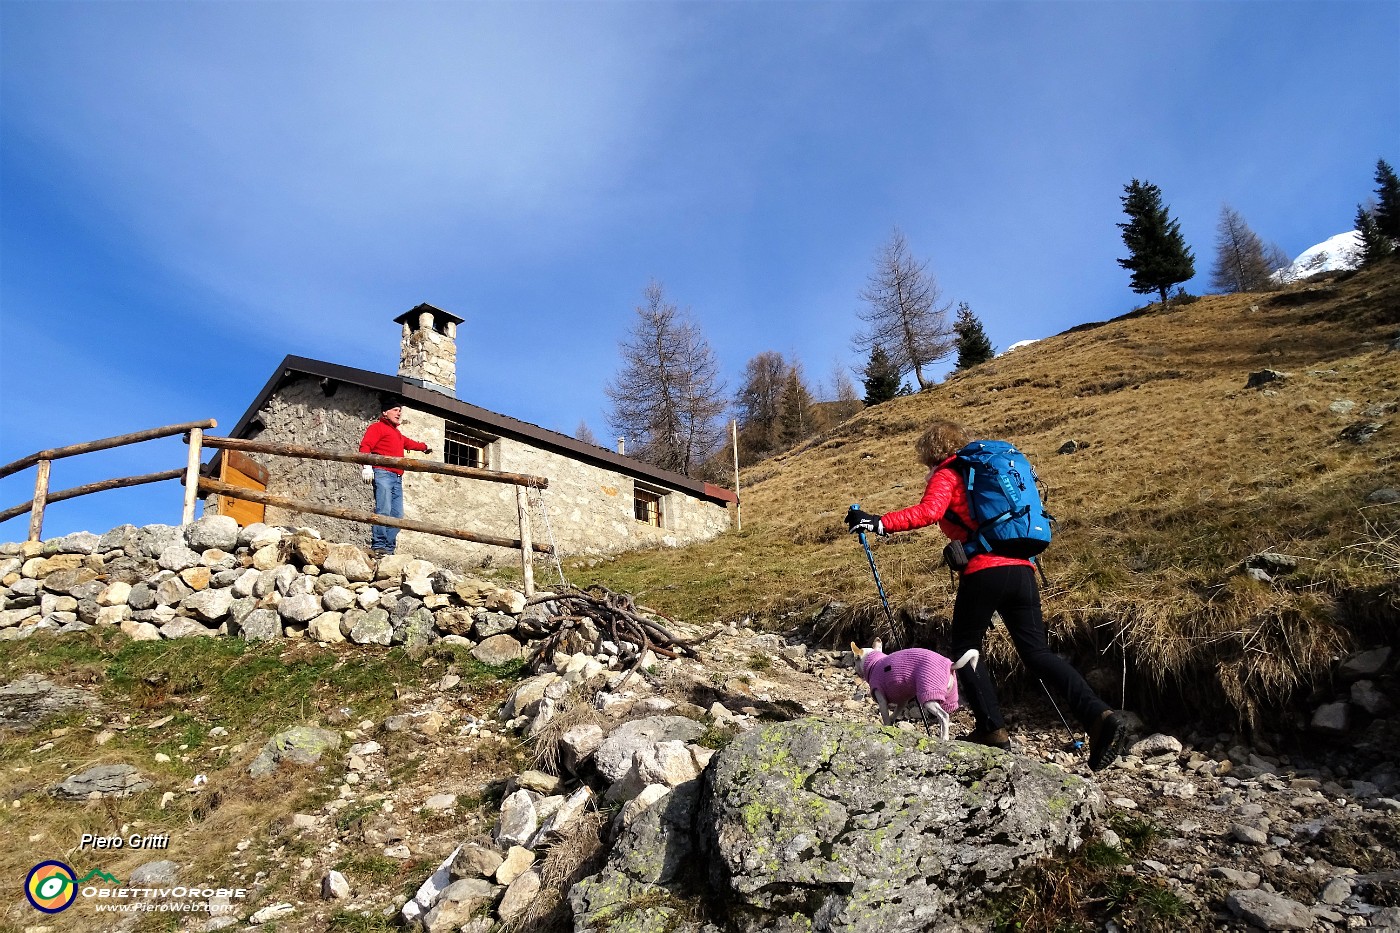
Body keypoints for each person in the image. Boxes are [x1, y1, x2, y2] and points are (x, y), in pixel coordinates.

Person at [844, 418, 1127, 771]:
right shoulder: (986, 476)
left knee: (965, 649)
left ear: (931, 453)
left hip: (985, 572)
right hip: (1023, 568)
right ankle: (1099, 716)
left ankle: (992, 729)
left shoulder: (949, 474)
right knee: (1037, 652)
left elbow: (928, 512)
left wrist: (877, 522)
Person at [358, 397, 431, 556]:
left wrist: (424, 447)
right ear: (385, 412)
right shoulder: (377, 428)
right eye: (395, 410)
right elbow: (365, 446)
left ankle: (388, 549)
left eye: (400, 411)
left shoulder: (396, 434)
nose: (399, 413)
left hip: (397, 477)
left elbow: (410, 443)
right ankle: (379, 546)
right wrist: (367, 466)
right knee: (383, 509)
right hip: (383, 472)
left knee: (397, 515)